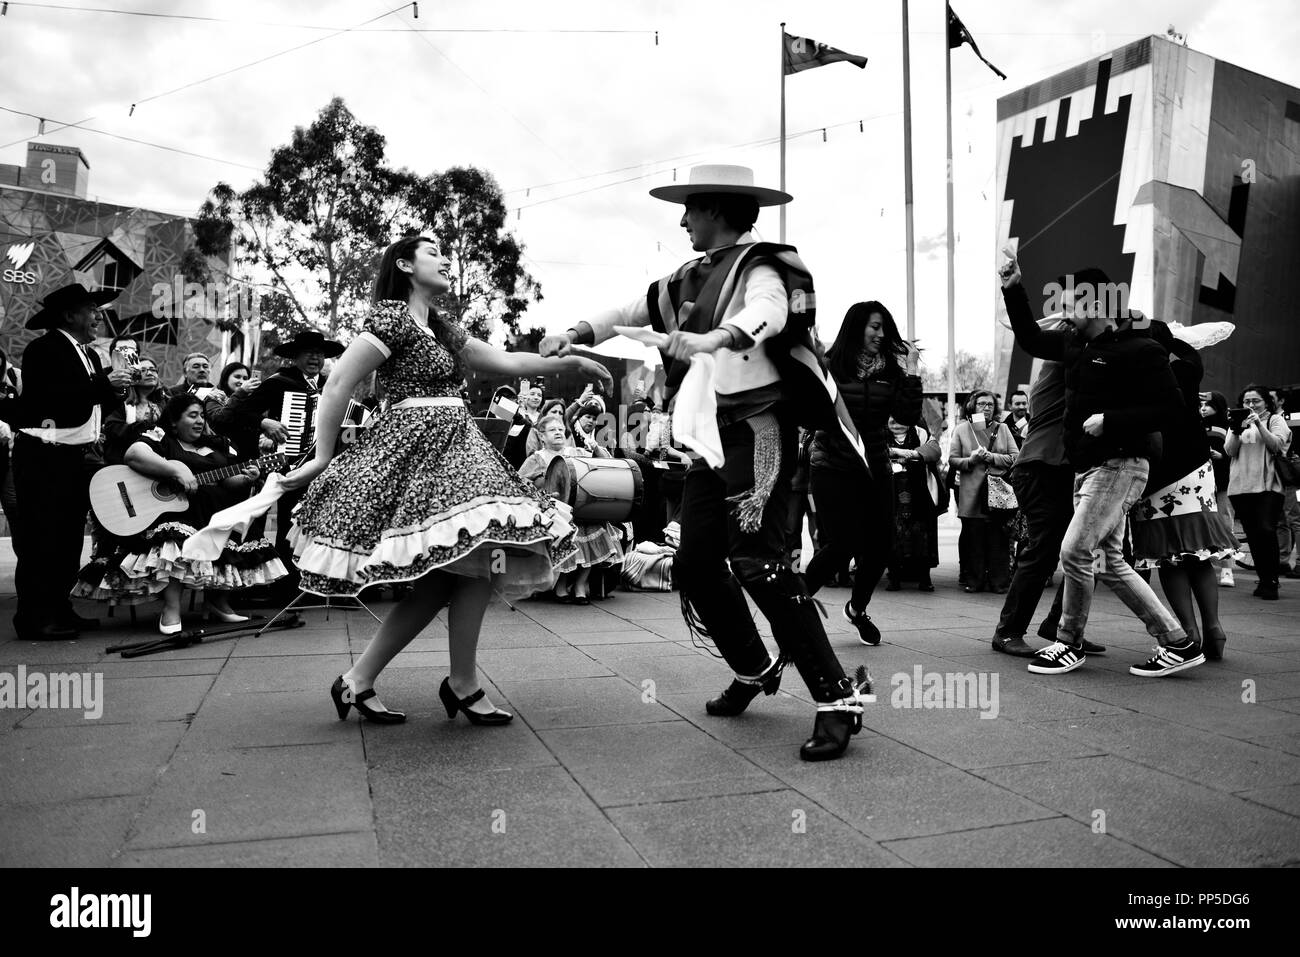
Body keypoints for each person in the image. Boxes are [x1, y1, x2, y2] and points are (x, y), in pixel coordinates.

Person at [540, 164, 873, 761]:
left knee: (759, 562)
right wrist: (576, 330)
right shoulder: (684, 277)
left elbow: (768, 312)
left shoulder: (763, 265)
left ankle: (837, 698)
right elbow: (631, 306)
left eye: (689, 208)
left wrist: (716, 338)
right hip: (709, 438)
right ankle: (753, 667)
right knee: (693, 564)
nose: (682, 219)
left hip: (760, 429)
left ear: (715, 209)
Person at [283, 235, 611, 726]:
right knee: (470, 564)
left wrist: (569, 361)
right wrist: (322, 457)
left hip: (457, 443)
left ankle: (367, 682)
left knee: (468, 565)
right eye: (432, 251)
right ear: (404, 264)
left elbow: (507, 361)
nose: (445, 257)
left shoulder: (441, 325)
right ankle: (452, 683)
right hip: (418, 447)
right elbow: (337, 384)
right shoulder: (390, 318)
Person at [1000, 253, 1201, 677]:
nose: (1062, 315)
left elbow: (1172, 410)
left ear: (1094, 305)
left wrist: (1111, 421)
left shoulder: (1141, 350)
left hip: (1122, 464)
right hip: (1088, 468)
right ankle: (1179, 642)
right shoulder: (1075, 348)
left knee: (1074, 550)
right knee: (1109, 562)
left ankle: (1068, 642)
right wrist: (1013, 289)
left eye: (1069, 305)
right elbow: (1031, 340)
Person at [72, 394, 285, 630]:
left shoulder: (218, 444)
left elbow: (228, 481)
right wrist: (176, 471)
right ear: (174, 420)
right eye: (192, 415)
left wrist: (246, 478)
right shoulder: (161, 437)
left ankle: (217, 603)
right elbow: (134, 455)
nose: (199, 421)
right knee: (176, 536)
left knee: (235, 526)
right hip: (173, 513)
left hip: (213, 509)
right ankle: (171, 609)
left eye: (202, 416)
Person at [10, 283, 133, 641]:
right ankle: (33, 618)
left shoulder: (92, 356)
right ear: (69, 315)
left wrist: (118, 388)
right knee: (40, 541)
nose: (98, 316)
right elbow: (54, 401)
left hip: (75, 458)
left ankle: (60, 608)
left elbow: (95, 406)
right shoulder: (43, 349)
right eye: (91, 310)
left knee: (66, 541)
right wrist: (103, 383)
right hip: (43, 456)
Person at [803, 301, 923, 641]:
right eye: (874, 327)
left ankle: (856, 609)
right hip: (832, 466)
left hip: (875, 466)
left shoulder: (891, 371)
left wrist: (912, 368)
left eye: (884, 328)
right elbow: (810, 412)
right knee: (842, 543)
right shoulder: (832, 365)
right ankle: (797, 602)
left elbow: (906, 415)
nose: (881, 334)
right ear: (857, 328)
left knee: (882, 546)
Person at [1128, 323, 1237, 659]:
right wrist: (1171, 336)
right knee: (1198, 553)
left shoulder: (1138, 373)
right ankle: (1214, 629)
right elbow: (1188, 353)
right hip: (1196, 466)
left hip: (1159, 467)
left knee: (1169, 557)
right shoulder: (1186, 370)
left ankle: (1188, 630)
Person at [221, 329, 343, 597]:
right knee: (287, 521)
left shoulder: (329, 385)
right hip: (289, 463)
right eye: (309, 352)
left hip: (323, 466)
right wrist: (264, 422)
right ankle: (284, 586)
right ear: (295, 357)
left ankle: (312, 583)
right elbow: (239, 413)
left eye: (320, 353)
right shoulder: (279, 382)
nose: (315, 357)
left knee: (316, 522)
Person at [519, 415, 624, 603]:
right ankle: (561, 585)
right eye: (552, 430)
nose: (558, 432)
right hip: (551, 512)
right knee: (568, 529)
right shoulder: (536, 459)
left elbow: (608, 464)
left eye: (560, 429)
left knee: (593, 525)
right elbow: (519, 484)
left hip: (581, 509)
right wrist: (540, 495)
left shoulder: (577, 451)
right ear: (541, 436)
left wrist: (597, 448)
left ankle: (579, 585)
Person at [948, 389, 1019, 594]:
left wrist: (991, 457)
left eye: (990, 404)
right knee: (974, 539)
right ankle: (975, 580)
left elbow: (1015, 457)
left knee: (998, 539)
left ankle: (999, 581)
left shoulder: (1003, 428)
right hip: (972, 494)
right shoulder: (962, 429)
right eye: (981, 404)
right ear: (972, 406)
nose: (986, 408)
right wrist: (971, 460)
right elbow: (953, 460)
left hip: (997, 494)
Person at [1225, 384, 1292, 601]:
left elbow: (1278, 446)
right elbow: (1229, 451)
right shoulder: (1236, 422)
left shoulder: (1275, 419)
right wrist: (1236, 429)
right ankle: (1263, 579)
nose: (1251, 405)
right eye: (1247, 401)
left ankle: (1271, 580)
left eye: (1256, 401)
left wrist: (1259, 425)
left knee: (1266, 529)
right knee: (1253, 534)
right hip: (1240, 486)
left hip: (1267, 485)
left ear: (1266, 402)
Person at [885, 416, 941, 591]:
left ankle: (925, 578)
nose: (897, 424)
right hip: (890, 493)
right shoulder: (879, 433)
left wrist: (909, 453)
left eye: (901, 419)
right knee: (892, 534)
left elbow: (934, 451)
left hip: (920, 493)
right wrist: (900, 452)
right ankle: (894, 578)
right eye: (892, 420)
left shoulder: (920, 432)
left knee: (923, 534)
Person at [103, 354, 168, 463]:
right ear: (133, 376)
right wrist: (145, 428)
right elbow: (112, 428)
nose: (149, 373)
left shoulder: (166, 401)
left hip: (159, 460)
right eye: (143, 370)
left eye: (153, 370)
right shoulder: (120, 400)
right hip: (125, 462)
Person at [1201, 391, 1236, 587]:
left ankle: (1227, 569)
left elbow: (1232, 453)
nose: (1203, 409)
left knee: (1224, 525)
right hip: (1202, 484)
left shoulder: (1228, 426)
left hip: (1222, 484)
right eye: (1202, 406)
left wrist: (1220, 456)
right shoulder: (1197, 425)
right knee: (1205, 524)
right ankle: (1209, 566)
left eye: (1208, 405)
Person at [206, 361, 263, 459]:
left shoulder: (248, 401)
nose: (241, 381)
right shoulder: (215, 397)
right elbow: (220, 418)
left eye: (245, 378)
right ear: (226, 378)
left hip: (250, 461)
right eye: (237, 377)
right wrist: (241, 392)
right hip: (225, 458)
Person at [1270, 389, 1300, 578]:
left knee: (1295, 518)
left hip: (1292, 473)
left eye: (1271, 398)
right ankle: (1282, 561)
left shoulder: (1293, 418)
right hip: (1275, 473)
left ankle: (1298, 563)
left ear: (1281, 401)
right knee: (1280, 519)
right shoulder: (1267, 420)